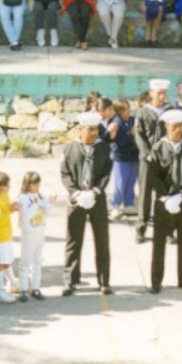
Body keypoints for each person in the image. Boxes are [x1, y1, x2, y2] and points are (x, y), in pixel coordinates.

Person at [59, 112, 113, 296]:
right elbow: (65, 173)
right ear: (80, 129)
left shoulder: (104, 148)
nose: (94, 133)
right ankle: (70, 280)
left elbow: (106, 172)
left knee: (102, 240)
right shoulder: (69, 149)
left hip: (96, 199)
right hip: (76, 200)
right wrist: (76, 192)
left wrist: (95, 191)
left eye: (96, 129)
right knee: (73, 240)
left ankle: (104, 281)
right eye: (90, 129)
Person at [145, 109, 182, 293]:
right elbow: (152, 175)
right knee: (159, 243)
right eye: (174, 126)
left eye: (180, 126)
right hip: (164, 201)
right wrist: (165, 197)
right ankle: (156, 282)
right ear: (166, 126)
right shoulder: (158, 148)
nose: (178, 130)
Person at [133, 79, 170, 244]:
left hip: (166, 159)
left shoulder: (170, 111)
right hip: (147, 160)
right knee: (145, 195)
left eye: (164, 93)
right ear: (151, 94)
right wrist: (147, 154)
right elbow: (139, 135)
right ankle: (141, 228)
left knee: (165, 193)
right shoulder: (143, 112)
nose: (162, 96)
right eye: (158, 93)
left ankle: (167, 229)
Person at [15, 171, 52, 301]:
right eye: (34, 184)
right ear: (27, 184)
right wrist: (35, 204)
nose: (37, 186)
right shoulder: (23, 198)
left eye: (38, 184)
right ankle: (23, 289)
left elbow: (46, 211)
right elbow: (25, 216)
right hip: (29, 233)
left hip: (40, 231)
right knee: (25, 261)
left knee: (37, 261)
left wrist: (50, 203)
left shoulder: (41, 196)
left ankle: (36, 288)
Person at [0, 172, 18, 304]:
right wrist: (10, 210)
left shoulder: (5, 197)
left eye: (5, 185)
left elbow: (5, 214)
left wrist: (11, 209)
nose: (2, 187)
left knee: (6, 262)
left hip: (6, 235)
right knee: (0, 264)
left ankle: (12, 283)